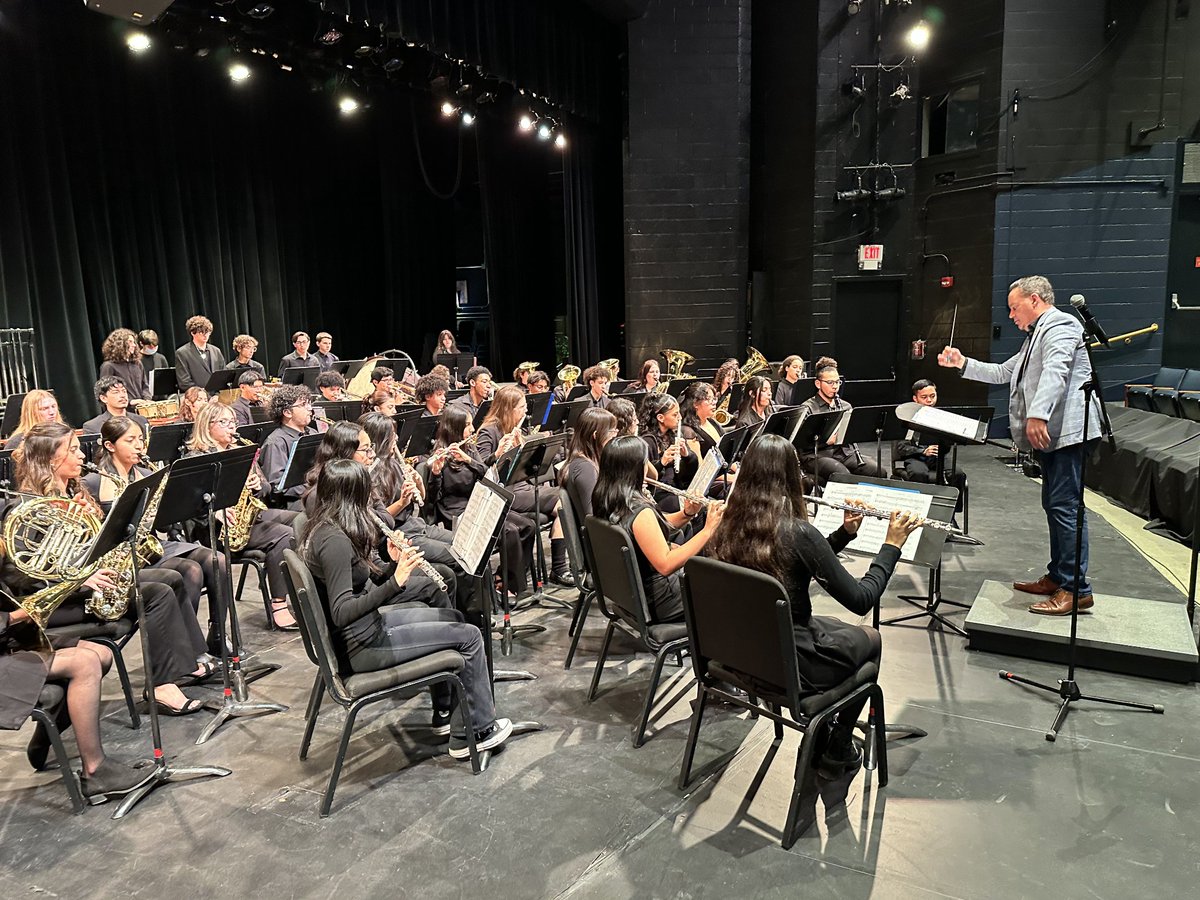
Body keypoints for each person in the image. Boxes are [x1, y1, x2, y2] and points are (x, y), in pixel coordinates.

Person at [705, 433, 920, 778]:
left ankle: (833, 734)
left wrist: (843, 534)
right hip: (788, 667)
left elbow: (796, 564)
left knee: (835, 630)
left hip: (738, 657)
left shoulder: (723, 526)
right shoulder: (796, 532)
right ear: (792, 477)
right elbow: (861, 598)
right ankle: (837, 746)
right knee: (871, 638)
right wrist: (891, 546)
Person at [300, 459, 511, 757]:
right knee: (470, 637)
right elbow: (341, 611)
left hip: (367, 631)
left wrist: (390, 567)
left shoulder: (331, 528)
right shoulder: (332, 540)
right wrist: (395, 583)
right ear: (352, 495)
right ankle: (474, 734)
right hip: (362, 647)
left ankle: (450, 713)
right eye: (366, 490)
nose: (371, 496)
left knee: (453, 617)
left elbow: (361, 581)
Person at [5, 422, 213, 715]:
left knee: (172, 578)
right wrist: (82, 579)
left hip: (84, 583)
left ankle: (190, 661)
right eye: (73, 450)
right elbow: (25, 578)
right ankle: (162, 685)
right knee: (157, 591)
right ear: (51, 459)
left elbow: (88, 550)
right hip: (56, 602)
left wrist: (99, 526)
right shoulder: (27, 509)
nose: (81, 456)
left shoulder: (72, 492)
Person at [938, 274, 1103, 616]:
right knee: (1055, 505)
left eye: (1014, 308)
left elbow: (1056, 371)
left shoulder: (1060, 325)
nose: (1011, 316)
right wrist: (962, 363)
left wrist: (1038, 415)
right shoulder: (1034, 337)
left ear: (1034, 300)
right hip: (1055, 436)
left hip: (1068, 433)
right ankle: (1059, 576)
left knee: (1066, 507)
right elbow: (1002, 373)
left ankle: (1076, 589)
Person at [82, 417, 232, 657]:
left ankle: (217, 634)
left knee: (217, 560)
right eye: (130, 440)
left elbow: (166, 516)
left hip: (151, 546)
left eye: (140, 439)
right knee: (190, 571)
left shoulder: (146, 473)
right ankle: (184, 650)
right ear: (110, 446)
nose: (138, 446)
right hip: (120, 557)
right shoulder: (93, 482)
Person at [0, 605, 154, 800]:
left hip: (11, 639)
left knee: (102, 654)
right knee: (85, 662)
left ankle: (47, 734)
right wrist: (14, 616)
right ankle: (94, 770)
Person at [184, 402, 300, 629]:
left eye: (233, 422)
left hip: (250, 517)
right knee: (284, 536)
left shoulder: (240, 450)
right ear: (207, 426)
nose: (232, 428)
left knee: (300, 520)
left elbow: (267, 489)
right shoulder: (196, 459)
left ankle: (293, 586)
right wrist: (214, 510)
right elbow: (188, 505)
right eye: (224, 422)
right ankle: (279, 605)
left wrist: (258, 484)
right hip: (217, 530)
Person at [592, 436, 724, 623]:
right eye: (645, 462)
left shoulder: (607, 498)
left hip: (633, 596)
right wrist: (708, 530)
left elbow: (652, 527)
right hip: (661, 601)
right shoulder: (639, 511)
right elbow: (666, 564)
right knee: (727, 587)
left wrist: (686, 513)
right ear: (635, 468)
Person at [426, 406, 535, 595]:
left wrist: (471, 460)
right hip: (459, 512)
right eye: (467, 425)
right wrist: (435, 474)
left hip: (480, 503)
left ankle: (504, 578)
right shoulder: (439, 456)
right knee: (509, 532)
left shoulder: (469, 447)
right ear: (454, 428)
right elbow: (434, 499)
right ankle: (511, 589)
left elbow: (486, 475)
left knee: (528, 526)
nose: (471, 429)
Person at [475, 386, 570, 585]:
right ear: (508, 408)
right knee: (564, 502)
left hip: (523, 486)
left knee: (568, 499)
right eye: (522, 407)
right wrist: (498, 453)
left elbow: (524, 464)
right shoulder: (488, 431)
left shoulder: (517, 427)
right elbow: (480, 468)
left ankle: (560, 565)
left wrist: (528, 445)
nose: (525, 412)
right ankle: (559, 567)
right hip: (505, 492)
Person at [796, 357, 882, 482]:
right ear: (818, 384)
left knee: (877, 470)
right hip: (817, 454)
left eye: (837, 382)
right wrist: (826, 440)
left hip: (844, 452)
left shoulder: (845, 405)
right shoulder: (807, 408)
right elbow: (801, 442)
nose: (835, 386)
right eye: (830, 382)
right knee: (843, 475)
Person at [260, 384, 319, 509]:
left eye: (309, 403)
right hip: (292, 502)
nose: (310, 409)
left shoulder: (313, 432)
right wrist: (314, 490)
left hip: (314, 492)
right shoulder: (275, 442)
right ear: (287, 412)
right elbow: (278, 485)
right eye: (303, 405)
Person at [638, 393, 693, 511]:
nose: (680, 417)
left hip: (675, 489)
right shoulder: (647, 441)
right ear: (660, 418)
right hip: (656, 495)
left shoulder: (674, 434)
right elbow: (643, 477)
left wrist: (687, 456)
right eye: (675, 414)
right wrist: (661, 462)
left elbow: (687, 473)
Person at [560, 407, 617, 519]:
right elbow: (593, 515)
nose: (615, 436)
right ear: (596, 435)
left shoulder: (588, 461)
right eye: (611, 431)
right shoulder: (584, 468)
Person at [895, 379, 941, 483]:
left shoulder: (940, 417)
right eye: (924, 397)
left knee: (957, 474)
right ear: (915, 399)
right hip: (915, 457)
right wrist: (923, 451)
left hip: (937, 457)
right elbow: (902, 447)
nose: (929, 400)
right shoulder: (906, 418)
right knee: (919, 474)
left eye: (933, 396)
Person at [81, 377, 149, 437]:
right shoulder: (92, 426)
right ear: (103, 398)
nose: (122, 395)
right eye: (116, 392)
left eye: (124, 391)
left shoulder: (141, 420)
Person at [174, 315, 226, 391]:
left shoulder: (216, 351)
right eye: (201, 332)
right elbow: (184, 382)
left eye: (207, 332)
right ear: (192, 333)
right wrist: (203, 394)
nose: (205, 335)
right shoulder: (182, 353)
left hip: (217, 396)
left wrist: (218, 394)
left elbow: (223, 375)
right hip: (197, 398)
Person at [98, 328, 151, 402]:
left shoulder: (137, 364)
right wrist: (130, 401)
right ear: (119, 344)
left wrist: (147, 399)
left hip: (141, 409)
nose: (134, 345)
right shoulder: (109, 366)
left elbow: (145, 385)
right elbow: (106, 392)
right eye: (130, 342)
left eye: (134, 342)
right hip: (122, 411)